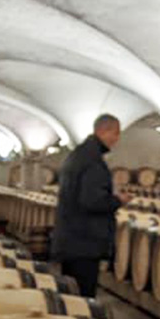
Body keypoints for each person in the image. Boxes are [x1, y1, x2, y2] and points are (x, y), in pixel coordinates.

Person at [50, 114, 129, 297]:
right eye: (115, 133)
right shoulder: (93, 161)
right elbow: (92, 201)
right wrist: (118, 201)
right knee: (83, 296)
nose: (117, 139)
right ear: (104, 130)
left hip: (72, 240)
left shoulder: (78, 155)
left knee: (71, 295)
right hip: (84, 242)